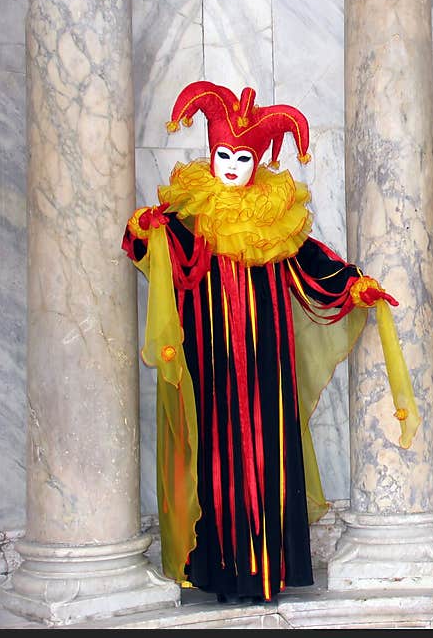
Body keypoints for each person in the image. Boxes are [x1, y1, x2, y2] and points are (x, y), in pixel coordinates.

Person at [123, 81, 418, 603]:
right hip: (211, 361)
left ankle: (268, 571)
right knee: (217, 455)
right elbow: (144, 247)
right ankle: (221, 570)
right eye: (224, 155)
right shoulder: (187, 217)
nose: (233, 166)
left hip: (266, 362)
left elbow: (313, 263)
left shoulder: (275, 218)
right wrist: (144, 231)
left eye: (242, 157)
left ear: (256, 161)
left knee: (268, 455)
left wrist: (354, 284)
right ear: (210, 154)